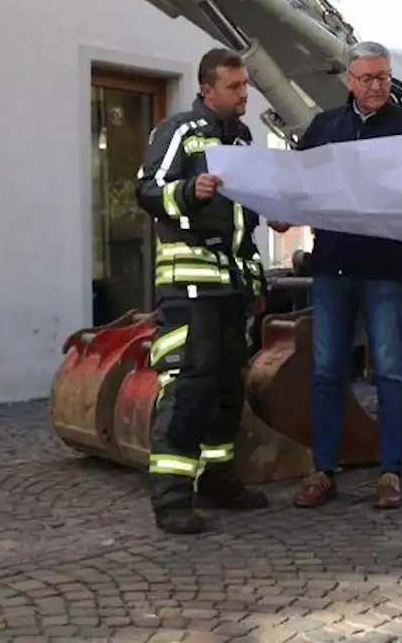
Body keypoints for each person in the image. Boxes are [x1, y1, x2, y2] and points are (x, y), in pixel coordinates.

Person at [281, 41, 402, 511]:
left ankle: (391, 473)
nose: (376, 87)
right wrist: (282, 213)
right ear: (349, 80)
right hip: (332, 266)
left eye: (383, 77)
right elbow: (297, 185)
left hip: (386, 267)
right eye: (367, 78)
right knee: (326, 372)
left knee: (390, 371)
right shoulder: (324, 128)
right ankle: (323, 470)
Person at [135, 47, 270, 534]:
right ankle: (171, 500)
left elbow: (242, 210)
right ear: (206, 88)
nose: (243, 95)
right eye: (234, 87)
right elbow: (148, 190)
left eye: (245, 85)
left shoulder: (243, 137)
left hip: (231, 285)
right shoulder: (179, 133)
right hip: (189, 284)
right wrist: (190, 191)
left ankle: (217, 479)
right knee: (190, 386)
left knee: (228, 386)